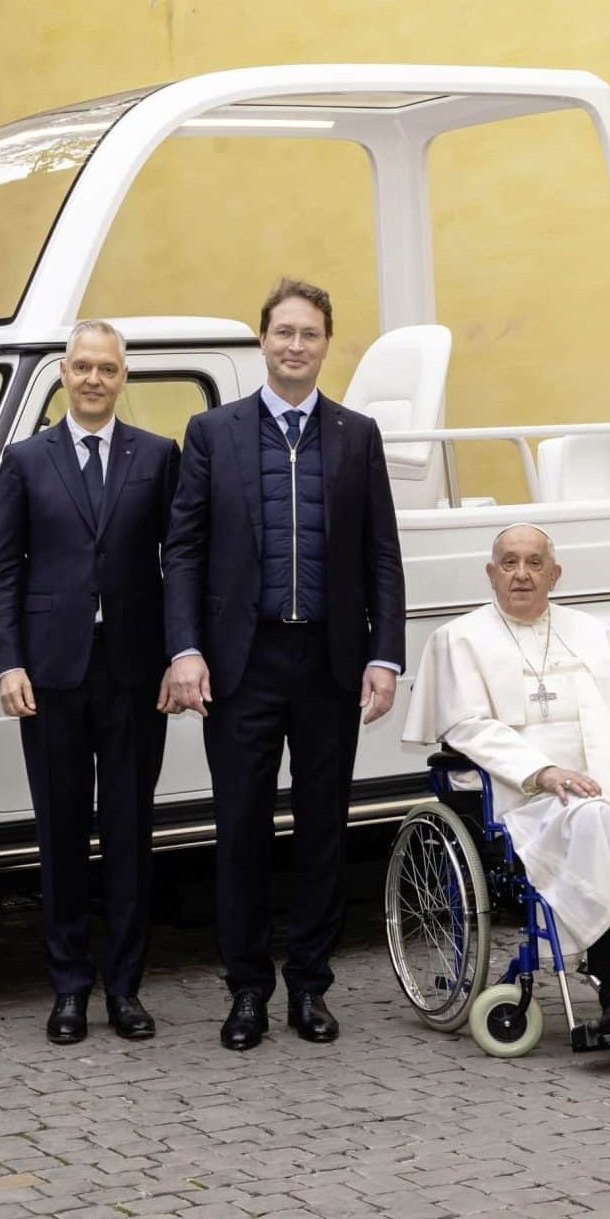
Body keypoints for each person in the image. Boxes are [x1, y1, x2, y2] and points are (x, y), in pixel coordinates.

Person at [163, 278, 406, 1051]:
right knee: (238, 830)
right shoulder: (213, 433)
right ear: (262, 342)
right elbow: (184, 552)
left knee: (323, 830)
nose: (295, 345)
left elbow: (382, 556)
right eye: (282, 333)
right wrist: (186, 647)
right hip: (243, 664)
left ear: (326, 344)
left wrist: (385, 654)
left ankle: (310, 986)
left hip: (330, 663)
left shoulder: (356, 435)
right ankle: (246, 991)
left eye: (309, 334)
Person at [405, 525, 610, 1036]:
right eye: (510, 563)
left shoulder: (593, 632)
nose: (522, 574)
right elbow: (468, 726)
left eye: (535, 563)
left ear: (554, 575)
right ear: (491, 574)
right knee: (594, 820)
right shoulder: (461, 639)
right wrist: (542, 770)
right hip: (532, 798)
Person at [0, 320, 181, 1045]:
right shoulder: (25, 460)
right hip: (51, 674)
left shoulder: (158, 457)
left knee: (130, 833)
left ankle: (125, 989)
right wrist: (8, 662)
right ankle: (69, 988)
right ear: (63, 374)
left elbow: (178, 565)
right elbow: (2, 570)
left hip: (135, 672)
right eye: (83, 366)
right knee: (61, 835)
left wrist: (179, 654)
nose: (95, 378)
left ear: (123, 377)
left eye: (108, 368)